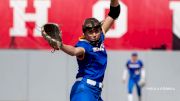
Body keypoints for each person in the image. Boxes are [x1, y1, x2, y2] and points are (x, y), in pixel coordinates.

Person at [42, 0, 120, 101]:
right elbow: (74, 51)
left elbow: (114, 13)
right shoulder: (84, 45)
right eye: (90, 32)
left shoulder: (100, 37)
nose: (94, 34)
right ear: (84, 33)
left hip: (95, 92)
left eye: (96, 31)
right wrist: (61, 45)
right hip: (84, 90)